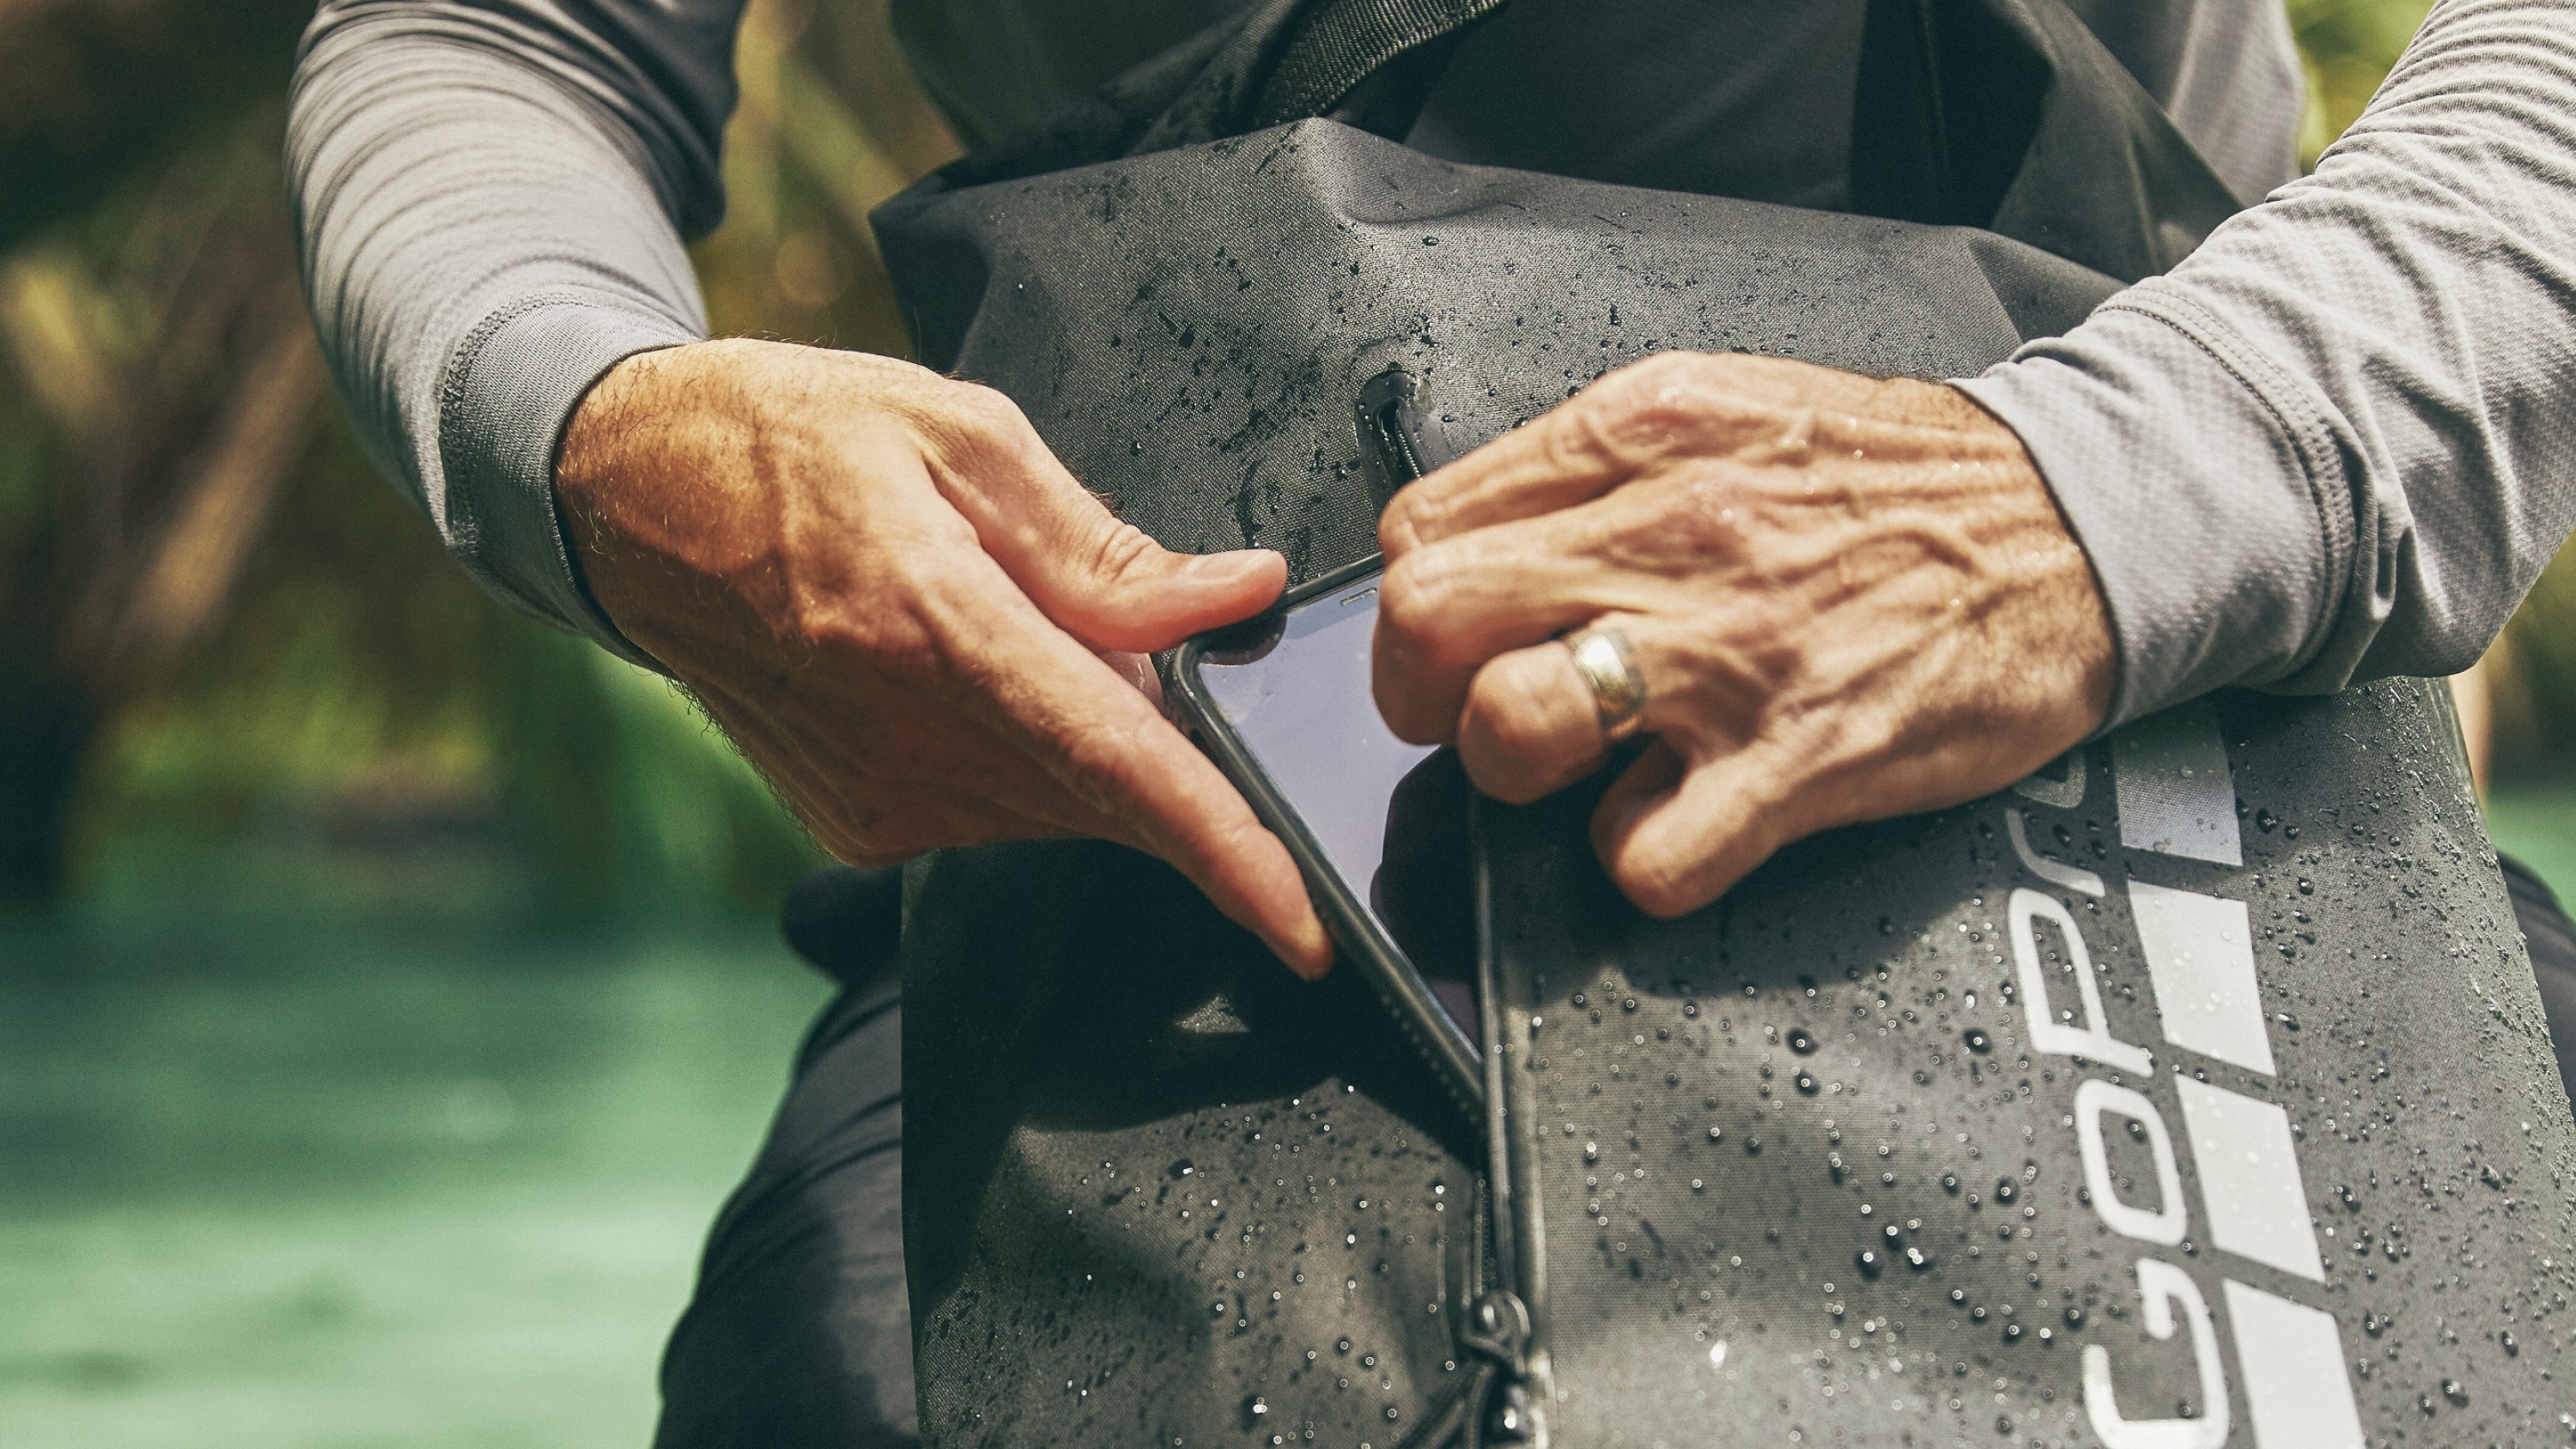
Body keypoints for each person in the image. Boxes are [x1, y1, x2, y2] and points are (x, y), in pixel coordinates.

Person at [287, 1, 2576, 1443]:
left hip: (2151, 675)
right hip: (1210, 780)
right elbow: (495, 40)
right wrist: (592, 427)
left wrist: (2116, 492)